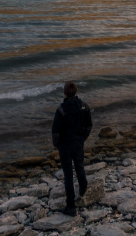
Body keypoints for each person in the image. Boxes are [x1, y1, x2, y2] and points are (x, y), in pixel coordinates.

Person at [51, 81, 92, 216]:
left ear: (64, 93)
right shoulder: (84, 107)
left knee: (68, 175)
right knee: (80, 167)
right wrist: (82, 138)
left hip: (65, 146)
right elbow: (89, 125)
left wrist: (57, 144)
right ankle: (83, 188)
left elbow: (55, 131)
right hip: (77, 143)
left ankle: (71, 206)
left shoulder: (61, 110)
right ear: (76, 92)